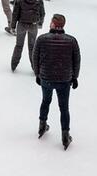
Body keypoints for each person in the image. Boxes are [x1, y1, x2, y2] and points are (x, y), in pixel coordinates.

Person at [32, 14, 80, 150]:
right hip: (64, 80)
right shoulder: (71, 41)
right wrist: (75, 77)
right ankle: (65, 135)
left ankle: (42, 125)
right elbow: (76, 60)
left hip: (46, 78)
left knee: (45, 101)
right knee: (64, 108)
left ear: (53, 24)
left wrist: (38, 74)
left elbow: (35, 57)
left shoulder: (42, 39)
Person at [10, 0, 45, 72]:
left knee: (18, 45)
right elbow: (42, 13)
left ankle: (14, 65)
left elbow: (15, 14)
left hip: (21, 25)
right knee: (32, 47)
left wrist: (13, 26)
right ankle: (35, 67)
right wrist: (40, 23)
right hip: (33, 25)